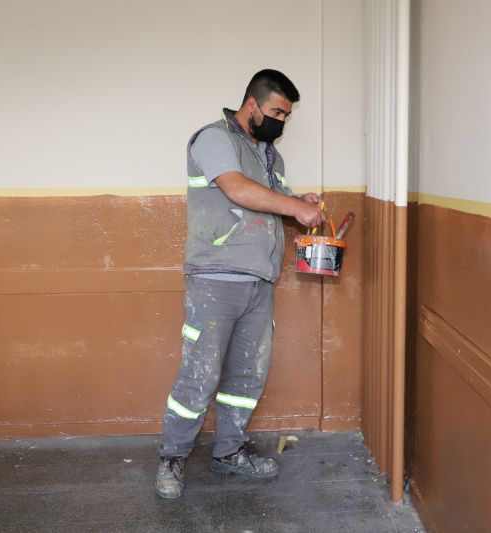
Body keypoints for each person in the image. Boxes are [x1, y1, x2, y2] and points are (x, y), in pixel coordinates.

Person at [155, 69, 327, 499]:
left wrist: (298, 202)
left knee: (248, 375)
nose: (281, 122)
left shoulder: (270, 157)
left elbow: (270, 202)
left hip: (259, 281)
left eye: (286, 116)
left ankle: (229, 451)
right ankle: (172, 458)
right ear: (252, 104)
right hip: (215, 278)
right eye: (277, 113)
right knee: (200, 375)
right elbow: (236, 189)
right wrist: (294, 207)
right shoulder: (214, 139)